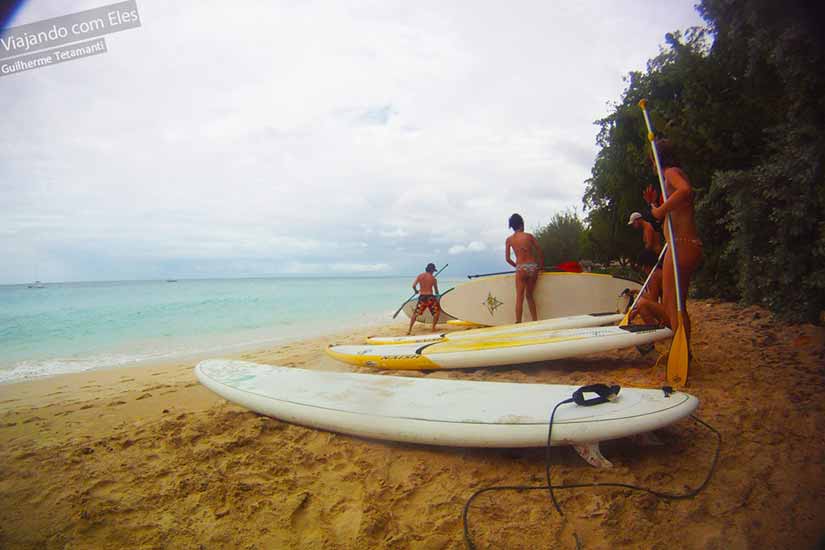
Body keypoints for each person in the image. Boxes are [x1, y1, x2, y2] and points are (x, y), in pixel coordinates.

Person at [642, 138, 702, 348]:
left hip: (680, 245)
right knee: (676, 305)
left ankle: (680, 349)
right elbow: (666, 216)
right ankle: (683, 350)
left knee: (672, 305)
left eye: (652, 159)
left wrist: (660, 209)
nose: (651, 164)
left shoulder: (670, 172)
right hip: (685, 245)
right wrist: (653, 205)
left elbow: (685, 190)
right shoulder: (670, 177)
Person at [505, 213, 544, 323]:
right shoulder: (529, 236)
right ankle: (535, 320)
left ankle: (518, 322)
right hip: (532, 266)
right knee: (530, 295)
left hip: (521, 267)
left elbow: (507, 258)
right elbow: (540, 251)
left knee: (519, 297)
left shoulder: (509, 240)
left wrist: (517, 267)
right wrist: (541, 266)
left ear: (512, 227)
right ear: (522, 224)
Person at [407, 263, 441, 334]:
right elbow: (436, 291)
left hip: (422, 297)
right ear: (431, 270)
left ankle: (409, 330)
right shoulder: (433, 279)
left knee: (415, 314)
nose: (433, 272)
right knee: (436, 313)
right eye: (433, 271)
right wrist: (438, 297)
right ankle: (433, 328)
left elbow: (413, 285)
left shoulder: (420, 276)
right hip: (430, 298)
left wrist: (416, 291)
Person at [628, 211, 662, 275]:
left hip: (655, 253)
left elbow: (649, 245)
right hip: (652, 252)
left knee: (639, 258)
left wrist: (640, 261)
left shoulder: (648, 228)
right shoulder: (645, 228)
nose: (633, 226)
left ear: (638, 220)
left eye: (633, 223)